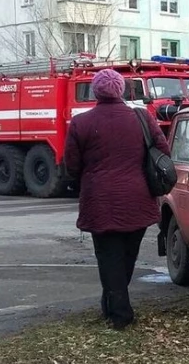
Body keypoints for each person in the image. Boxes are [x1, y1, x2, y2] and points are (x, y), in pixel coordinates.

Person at [64, 69, 171, 330]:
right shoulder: (142, 117)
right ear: (121, 90)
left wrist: (84, 180)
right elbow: (163, 151)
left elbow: (71, 165)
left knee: (108, 257)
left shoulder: (81, 122)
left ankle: (121, 314)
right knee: (126, 255)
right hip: (138, 197)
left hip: (99, 200)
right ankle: (111, 305)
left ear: (96, 91)